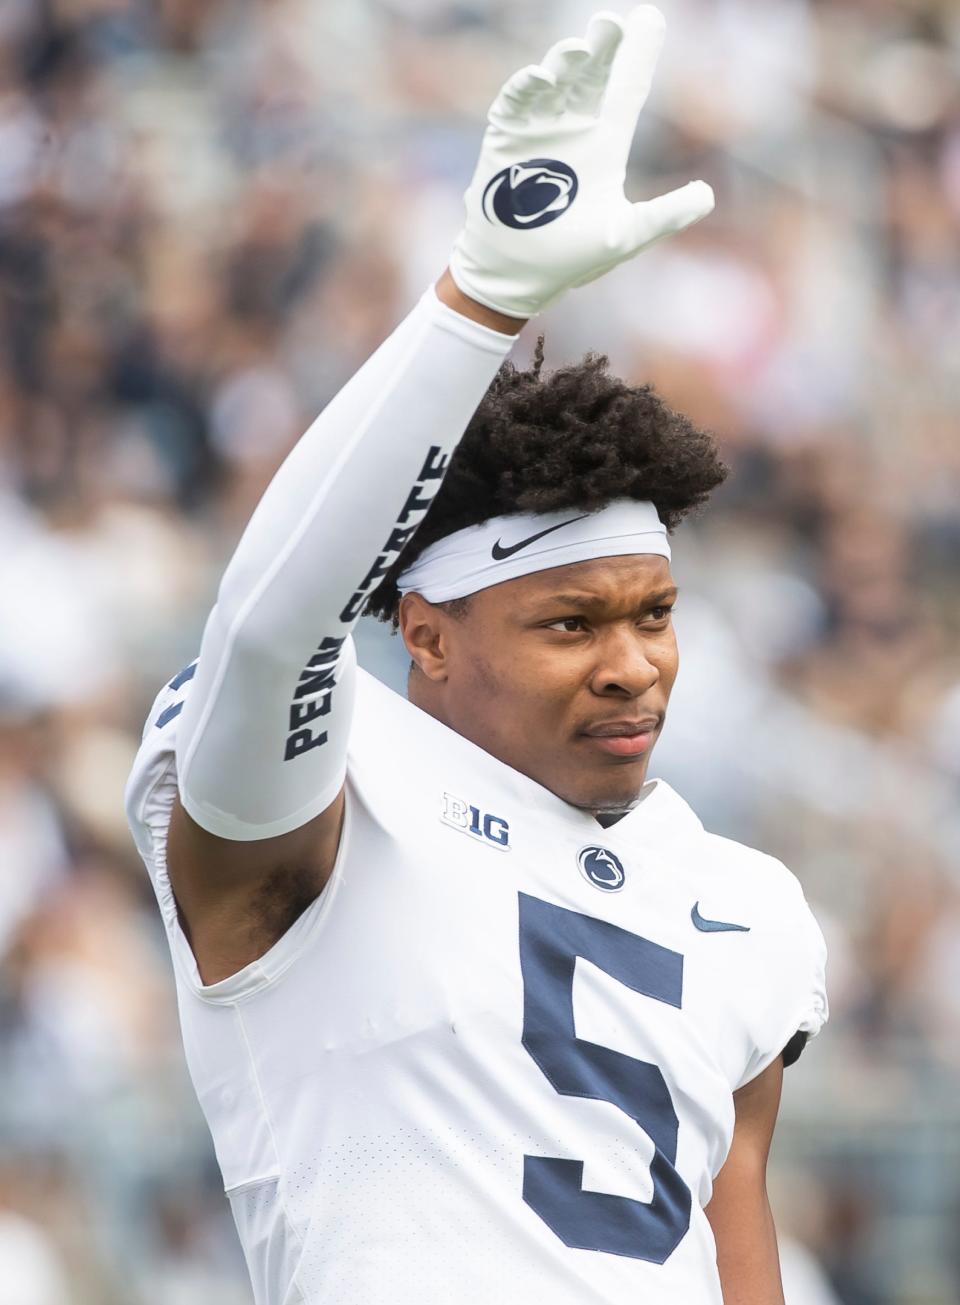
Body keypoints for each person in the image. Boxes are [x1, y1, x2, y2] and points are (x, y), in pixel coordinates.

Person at [125, 8, 827, 1303]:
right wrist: (475, 305)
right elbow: (274, 624)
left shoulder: (747, 903)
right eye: (571, 622)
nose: (632, 665)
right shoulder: (335, 794)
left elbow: (739, 1258)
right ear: (426, 631)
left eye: (653, 612)